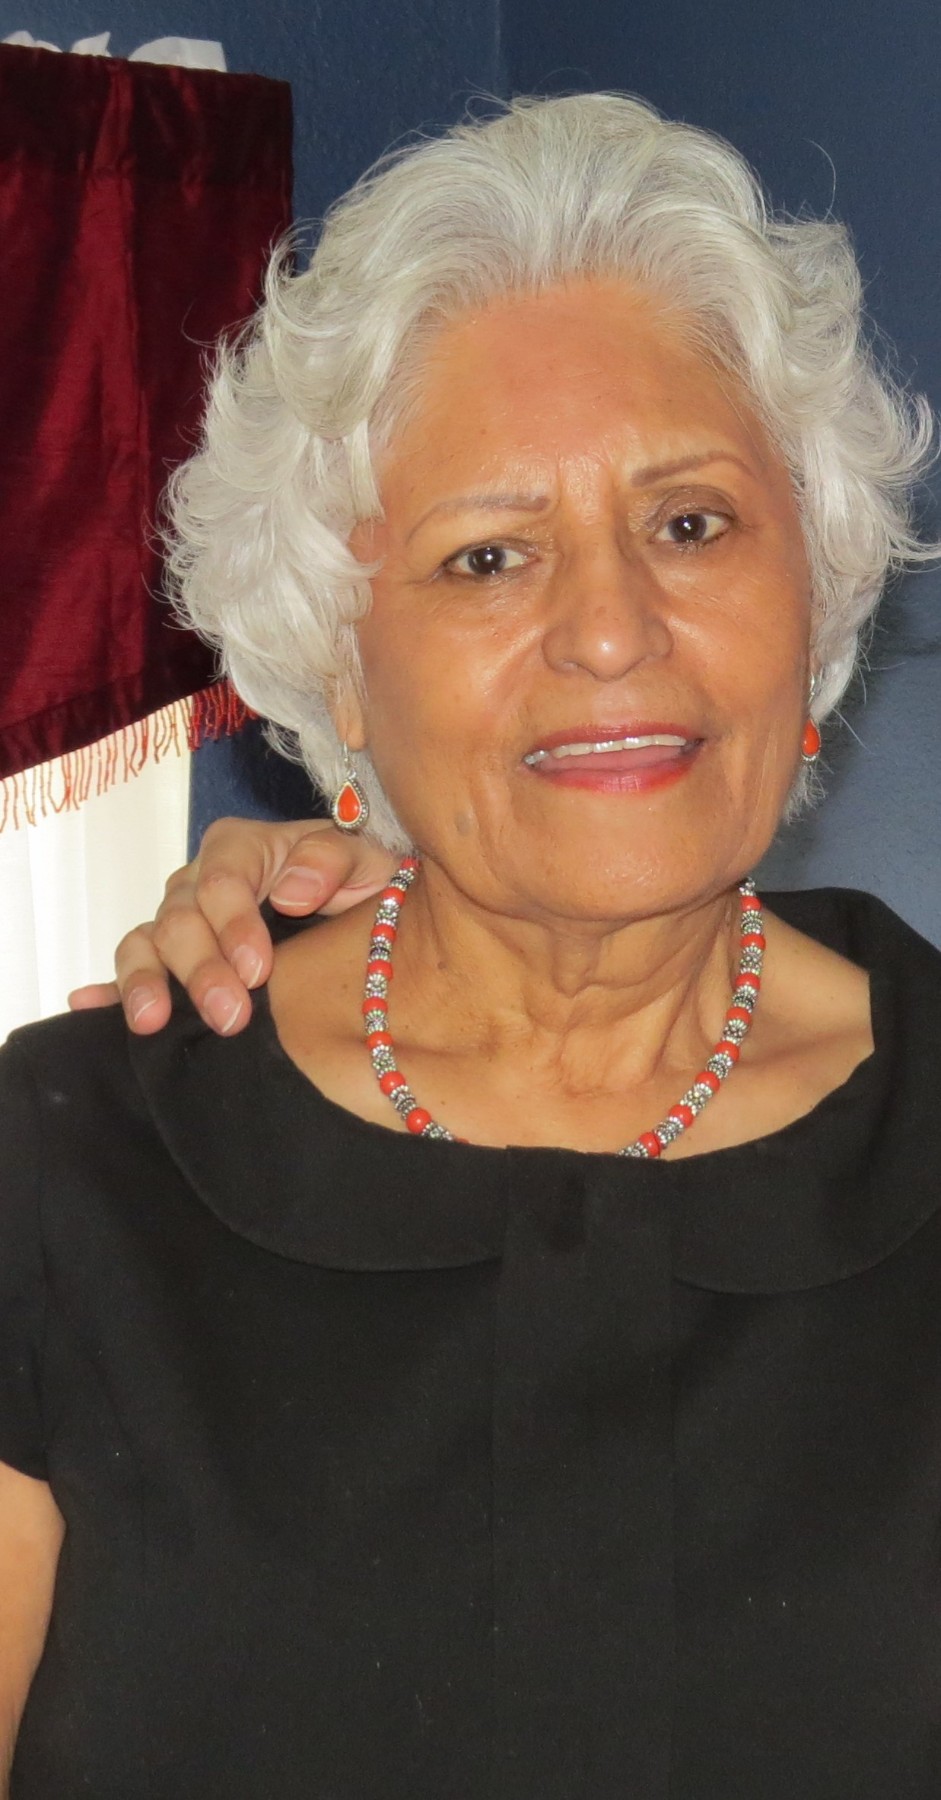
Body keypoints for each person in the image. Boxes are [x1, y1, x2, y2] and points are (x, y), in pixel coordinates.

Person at [3, 91, 940, 1798]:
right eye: (486, 555)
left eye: (689, 523)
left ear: (816, 595)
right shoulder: (67, 1169)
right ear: (340, 671)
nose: (609, 629)